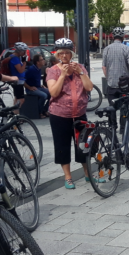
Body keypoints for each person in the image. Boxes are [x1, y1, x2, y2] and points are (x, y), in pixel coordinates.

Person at [47, 38, 96, 189]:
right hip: (59, 114)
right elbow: (53, 92)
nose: (64, 56)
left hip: (79, 113)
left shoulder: (80, 68)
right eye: (61, 53)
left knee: (83, 145)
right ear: (57, 55)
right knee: (62, 145)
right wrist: (62, 75)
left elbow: (89, 88)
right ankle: (68, 177)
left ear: (71, 54)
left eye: (67, 53)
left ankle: (88, 174)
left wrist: (80, 72)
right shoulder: (52, 71)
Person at [103, 27, 129, 106]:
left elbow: (104, 67)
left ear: (113, 37)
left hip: (111, 84)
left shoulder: (107, 49)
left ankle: (112, 118)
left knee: (112, 108)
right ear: (123, 37)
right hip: (124, 84)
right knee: (125, 107)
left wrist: (108, 78)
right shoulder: (126, 49)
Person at [24, 53, 50, 118]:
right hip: (30, 89)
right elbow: (22, 80)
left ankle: (45, 110)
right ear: (37, 62)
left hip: (38, 87)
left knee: (52, 94)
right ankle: (39, 112)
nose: (43, 61)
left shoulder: (39, 69)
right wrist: (29, 87)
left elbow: (36, 80)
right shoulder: (31, 70)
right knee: (44, 95)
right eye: (41, 60)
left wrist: (41, 85)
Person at [8, 42, 29, 110]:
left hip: (17, 81)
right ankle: (16, 115)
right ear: (20, 51)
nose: (25, 53)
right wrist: (24, 62)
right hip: (17, 81)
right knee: (21, 100)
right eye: (24, 51)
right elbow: (20, 70)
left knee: (17, 98)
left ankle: (14, 113)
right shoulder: (15, 58)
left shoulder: (15, 57)